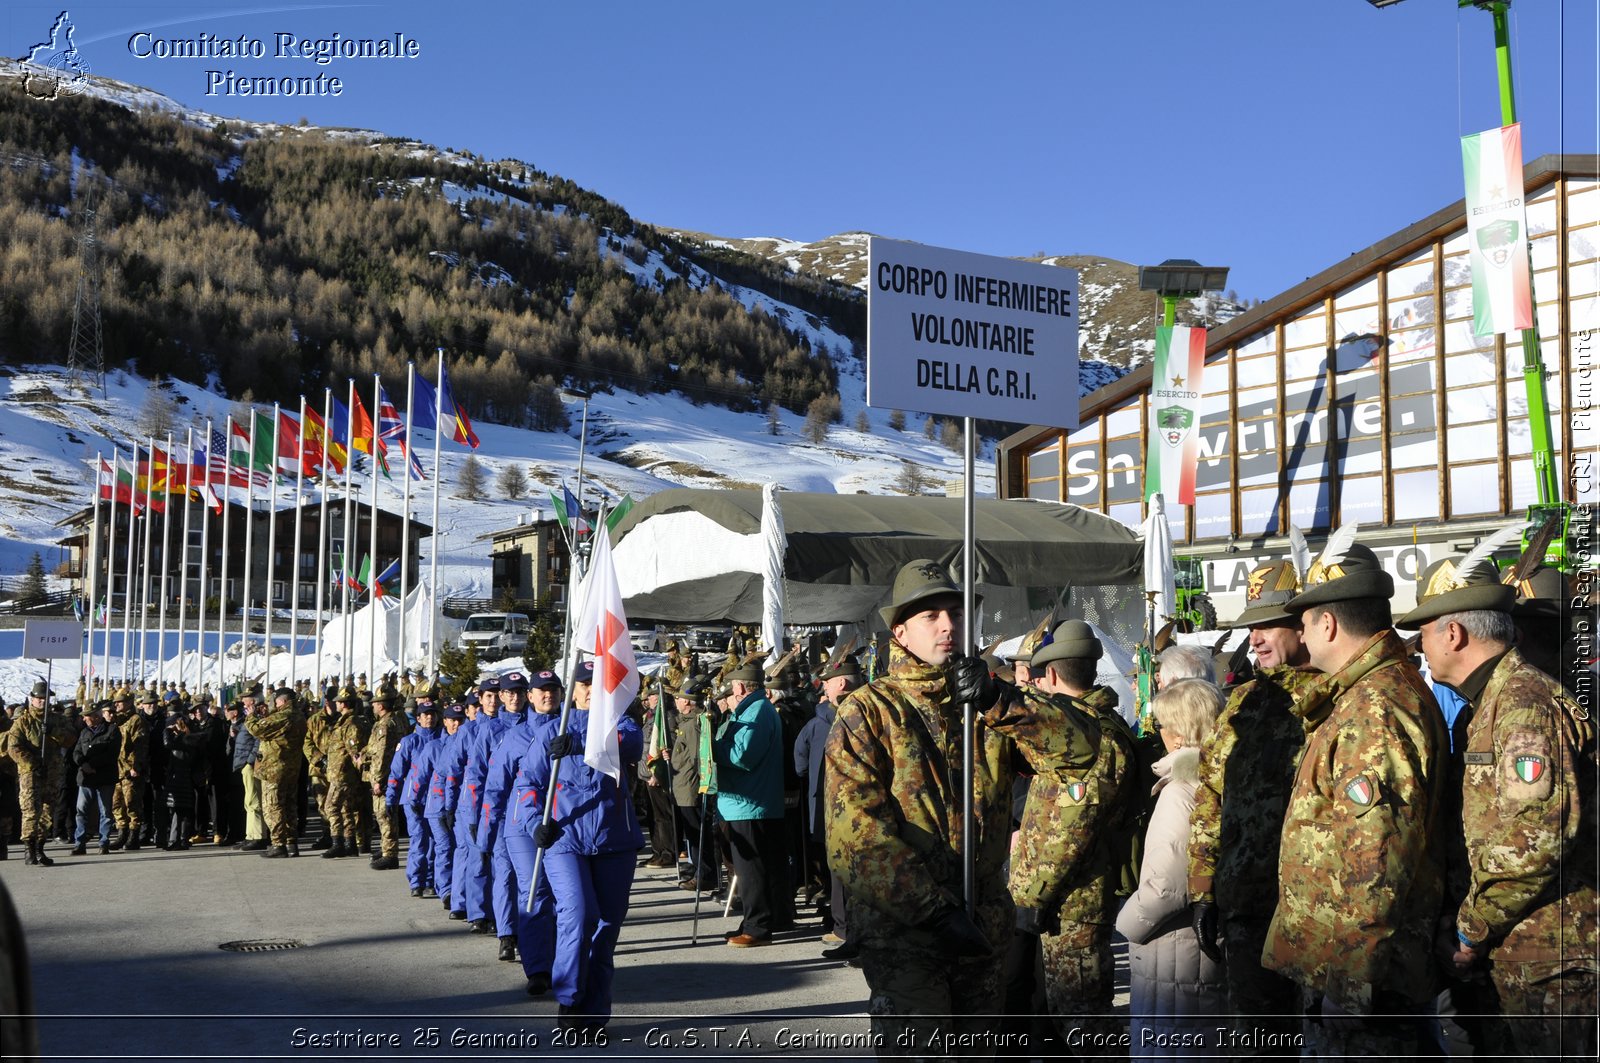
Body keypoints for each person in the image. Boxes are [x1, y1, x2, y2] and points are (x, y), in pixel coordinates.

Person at [825, 559, 1101, 1053]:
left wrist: (1002, 701)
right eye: (931, 616)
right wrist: (933, 912)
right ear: (901, 631)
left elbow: (1080, 751)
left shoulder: (984, 705)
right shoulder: (867, 711)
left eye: (955, 612)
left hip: (982, 930)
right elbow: (856, 840)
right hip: (908, 937)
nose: (948, 625)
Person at [1398, 556, 1598, 1060]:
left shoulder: (1524, 705)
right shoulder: (1491, 703)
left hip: (1552, 958)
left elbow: (1536, 840)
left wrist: (1471, 928)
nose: (1419, 647)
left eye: (1423, 631)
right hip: (1519, 953)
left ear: (1454, 634)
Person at [1265, 541, 1447, 1055]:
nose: (1297, 631)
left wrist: (1348, 981)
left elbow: (1376, 861)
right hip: (1357, 969)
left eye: (1304, 620)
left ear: (1328, 625)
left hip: (1365, 979)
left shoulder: (1374, 709)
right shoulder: (1371, 695)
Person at [1186, 559, 1318, 1047]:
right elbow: (1211, 800)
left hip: (1313, 915)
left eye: (1267, 625)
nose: (1255, 639)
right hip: (1248, 912)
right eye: (1250, 627)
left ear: (1303, 625)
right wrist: (1203, 889)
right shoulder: (1243, 704)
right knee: (1256, 1044)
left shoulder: (1331, 701)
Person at [1011, 620, 1137, 1049]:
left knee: (1084, 1020)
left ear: (1049, 676)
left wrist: (1036, 895)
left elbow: (1073, 829)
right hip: (1072, 898)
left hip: (1073, 900)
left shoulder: (1090, 735)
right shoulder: (1102, 725)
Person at [530, 659, 644, 1033]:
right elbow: (527, 784)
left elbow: (633, 744)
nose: (591, 690)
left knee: (605, 928)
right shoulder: (553, 729)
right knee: (578, 918)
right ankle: (569, 1001)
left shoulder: (618, 723)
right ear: (572, 690)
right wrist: (535, 824)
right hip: (566, 842)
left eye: (598, 684)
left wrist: (582, 743)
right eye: (584, 684)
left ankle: (594, 1015)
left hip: (614, 841)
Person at [1116, 678, 1227, 1058]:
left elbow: (1165, 887)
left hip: (1175, 951)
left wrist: (1127, 924)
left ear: (1179, 735)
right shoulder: (1220, 778)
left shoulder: (1180, 791)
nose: (1159, 733)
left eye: (1163, 725)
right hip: (1201, 947)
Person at [482, 669, 561, 992]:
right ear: (531, 696)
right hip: (520, 826)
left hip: (562, 823)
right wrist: (485, 831)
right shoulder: (515, 737)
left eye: (553, 690)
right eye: (541, 690)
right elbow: (495, 787)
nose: (547, 695)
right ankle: (538, 969)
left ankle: (563, 961)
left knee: (564, 895)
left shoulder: (571, 728)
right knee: (535, 891)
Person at [713, 659, 789, 947]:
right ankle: (761, 919)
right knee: (756, 868)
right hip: (747, 802)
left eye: (732, 687)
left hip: (750, 803)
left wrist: (712, 746)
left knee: (751, 870)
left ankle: (757, 927)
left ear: (741, 686)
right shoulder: (753, 709)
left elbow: (742, 756)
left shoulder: (757, 711)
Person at [796, 654, 861, 957]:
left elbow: (801, 765)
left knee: (841, 872)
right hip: (846, 810)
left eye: (830, 683)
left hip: (841, 810)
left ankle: (845, 930)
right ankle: (847, 930)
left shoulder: (835, 719)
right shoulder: (852, 715)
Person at [667, 673, 717, 895]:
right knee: (693, 834)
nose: (676, 701)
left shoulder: (694, 724)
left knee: (698, 834)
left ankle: (704, 874)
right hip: (683, 787)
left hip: (691, 788)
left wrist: (702, 786)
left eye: (678, 698)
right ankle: (699, 869)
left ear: (687, 701)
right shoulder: (686, 723)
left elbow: (700, 757)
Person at [248, 686, 309, 859]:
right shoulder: (298, 716)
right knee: (289, 806)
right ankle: (291, 843)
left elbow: (257, 729)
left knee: (272, 806)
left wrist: (252, 715)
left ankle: (278, 844)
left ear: (282, 700)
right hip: (291, 767)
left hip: (275, 768)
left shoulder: (284, 715)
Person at [388, 698, 441, 896]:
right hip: (413, 799)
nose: (429, 718)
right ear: (418, 718)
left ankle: (431, 880)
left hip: (436, 798)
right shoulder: (410, 742)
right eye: (425, 715)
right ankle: (416, 881)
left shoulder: (443, 739)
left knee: (436, 841)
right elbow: (396, 772)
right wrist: (390, 798)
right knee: (419, 839)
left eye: (432, 714)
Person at [424, 704, 469, 915]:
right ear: (445, 721)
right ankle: (446, 891)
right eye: (453, 720)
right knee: (444, 848)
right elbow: (434, 778)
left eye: (460, 720)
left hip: (458, 807)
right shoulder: (436, 746)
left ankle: (457, 890)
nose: (456, 724)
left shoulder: (466, 741)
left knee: (459, 849)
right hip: (439, 806)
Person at [362, 687, 410, 871]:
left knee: (385, 814)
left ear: (380, 705)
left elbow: (382, 754)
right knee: (386, 814)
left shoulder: (385, 725)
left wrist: (378, 780)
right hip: (392, 773)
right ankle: (386, 849)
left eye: (375, 702)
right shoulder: (396, 719)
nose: (373, 705)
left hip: (384, 775)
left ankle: (390, 854)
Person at [70, 701, 119, 855]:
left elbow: (111, 754)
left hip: (104, 778)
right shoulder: (84, 733)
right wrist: (83, 764)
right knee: (81, 811)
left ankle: (103, 842)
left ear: (96, 716)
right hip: (85, 779)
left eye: (87, 716)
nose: (84, 719)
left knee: (105, 811)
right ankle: (80, 842)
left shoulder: (112, 730)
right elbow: (76, 751)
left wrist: (91, 765)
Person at [111, 689, 153, 852]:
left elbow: (140, 745)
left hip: (130, 769)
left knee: (132, 804)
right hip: (117, 769)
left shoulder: (137, 720)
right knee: (117, 804)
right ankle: (122, 834)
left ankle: (133, 836)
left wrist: (136, 766)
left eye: (120, 702)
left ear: (128, 703)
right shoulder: (117, 721)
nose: (117, 705)